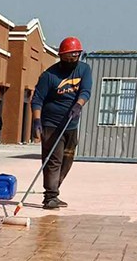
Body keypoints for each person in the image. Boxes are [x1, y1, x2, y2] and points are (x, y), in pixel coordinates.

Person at [31, 37, 92, 209]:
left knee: (67, 160)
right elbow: (37, 99)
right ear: (61, 56)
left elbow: (85, 91)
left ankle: (54, 191)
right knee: (53, 160)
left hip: (71, 124)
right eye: (68, 57)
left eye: (75, 56)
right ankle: (50, 196)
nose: (72, 60)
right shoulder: (49, 75)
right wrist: (37, 121)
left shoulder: (84, 69)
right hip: (51, 125)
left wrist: (78, 105)